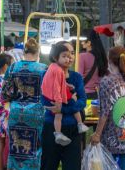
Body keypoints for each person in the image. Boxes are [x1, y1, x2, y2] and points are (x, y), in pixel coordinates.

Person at [2, 39, 47, 170]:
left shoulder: (12, 68)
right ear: (38, 52)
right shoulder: (44, 69)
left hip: (16, 113)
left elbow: (4, 94)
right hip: (36, 114)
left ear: (24, 52)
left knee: (15, 149)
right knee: (34, 149)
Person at [41, 41, 86, 170]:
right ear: (56, 57)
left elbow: (82, 100)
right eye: (65, 54)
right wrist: (69, 105)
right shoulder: (47, 74)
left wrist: (63, 108)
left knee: (73, 166)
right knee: (48, 165)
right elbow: (44, 100)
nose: (70, 57)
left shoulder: (76, 77)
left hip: (73, 129)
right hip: (51, 128)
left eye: (72, 53)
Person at [78, 28, 109, 100]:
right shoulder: (102, 57)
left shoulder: (82, 56)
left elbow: (78, 77)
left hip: (85, 94)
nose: (81, 42)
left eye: (82, 40)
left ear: (89, 43)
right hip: (99, 94)